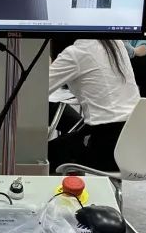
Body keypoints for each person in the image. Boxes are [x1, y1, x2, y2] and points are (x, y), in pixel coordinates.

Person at [48, 39, 139, 171]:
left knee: (42, 157)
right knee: (71, 133)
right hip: (136, 142)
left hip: (107, 147)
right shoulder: (115, 43)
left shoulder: (76, 53)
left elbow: (37, 88)